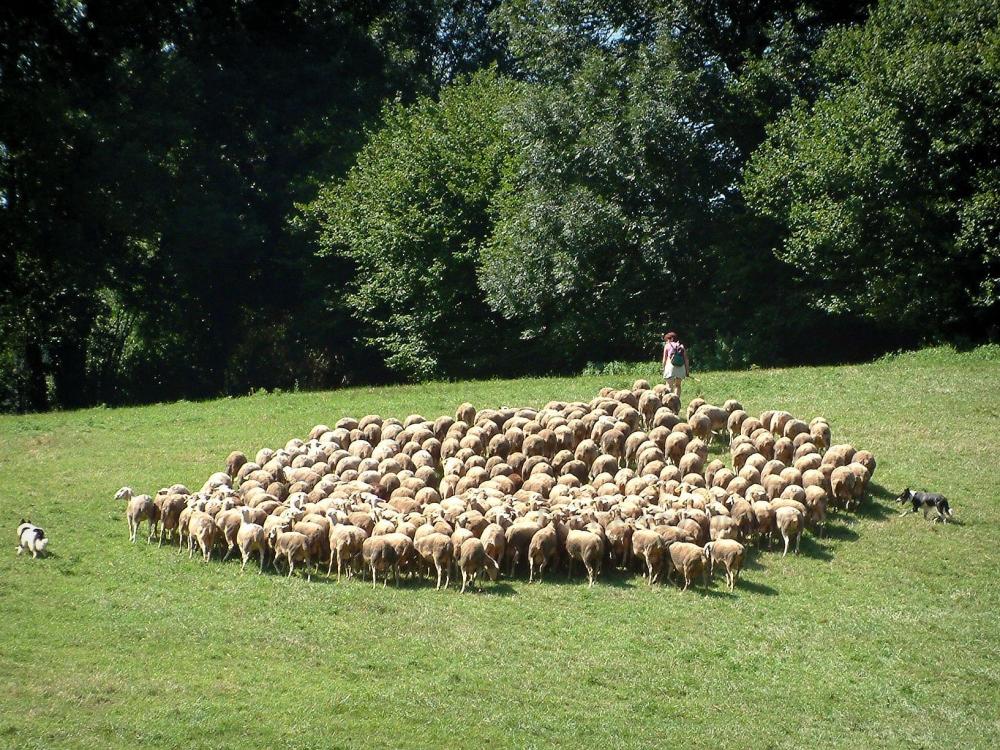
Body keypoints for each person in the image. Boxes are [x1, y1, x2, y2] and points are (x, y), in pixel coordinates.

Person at [661, 331, 690, 398]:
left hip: (670, 367)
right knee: (678, 385)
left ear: (671, 339)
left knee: (669, 386)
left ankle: (668, 402)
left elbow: (664, 359)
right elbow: (686, 359)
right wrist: (687, 371)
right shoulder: (681, 346)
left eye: (667, 339)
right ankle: (676, 402)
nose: (666, 341)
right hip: (681, 367)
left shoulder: (667, 346)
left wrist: (663, 368)